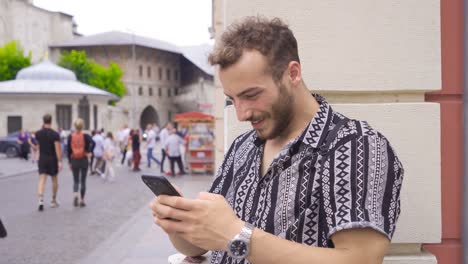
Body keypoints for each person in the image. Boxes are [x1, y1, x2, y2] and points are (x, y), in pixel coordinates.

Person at [149, 17, 404, 264]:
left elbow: (361, 260)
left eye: (251, 95)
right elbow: (200, 244)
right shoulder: (243, 146)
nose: (241, 113)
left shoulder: (354, 145)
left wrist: (237, 235)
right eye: (232, 99)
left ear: (292, 74)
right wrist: (177, 223)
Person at [35, 114, 62, 211]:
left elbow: (38, 145)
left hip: (42, 158)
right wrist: (59, 161)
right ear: (51, 121)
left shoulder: (38, 133)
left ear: (43, 121)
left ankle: (40, 200)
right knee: (54, 179)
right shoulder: (55, 134)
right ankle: (53, 201)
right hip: (52, 159)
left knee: (42, 179)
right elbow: (57, 149)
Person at [67, 118, 93, 207]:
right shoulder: (86, 136)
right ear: (82, 126)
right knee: (83, 181)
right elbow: (93, 143)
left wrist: (69, 162)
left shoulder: (70, 136)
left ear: (75, 126)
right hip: (84, 159)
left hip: (74, 160)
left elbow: (68, 151)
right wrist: (89, 151)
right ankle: (82, 200)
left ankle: (75, 195)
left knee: (75, 180)